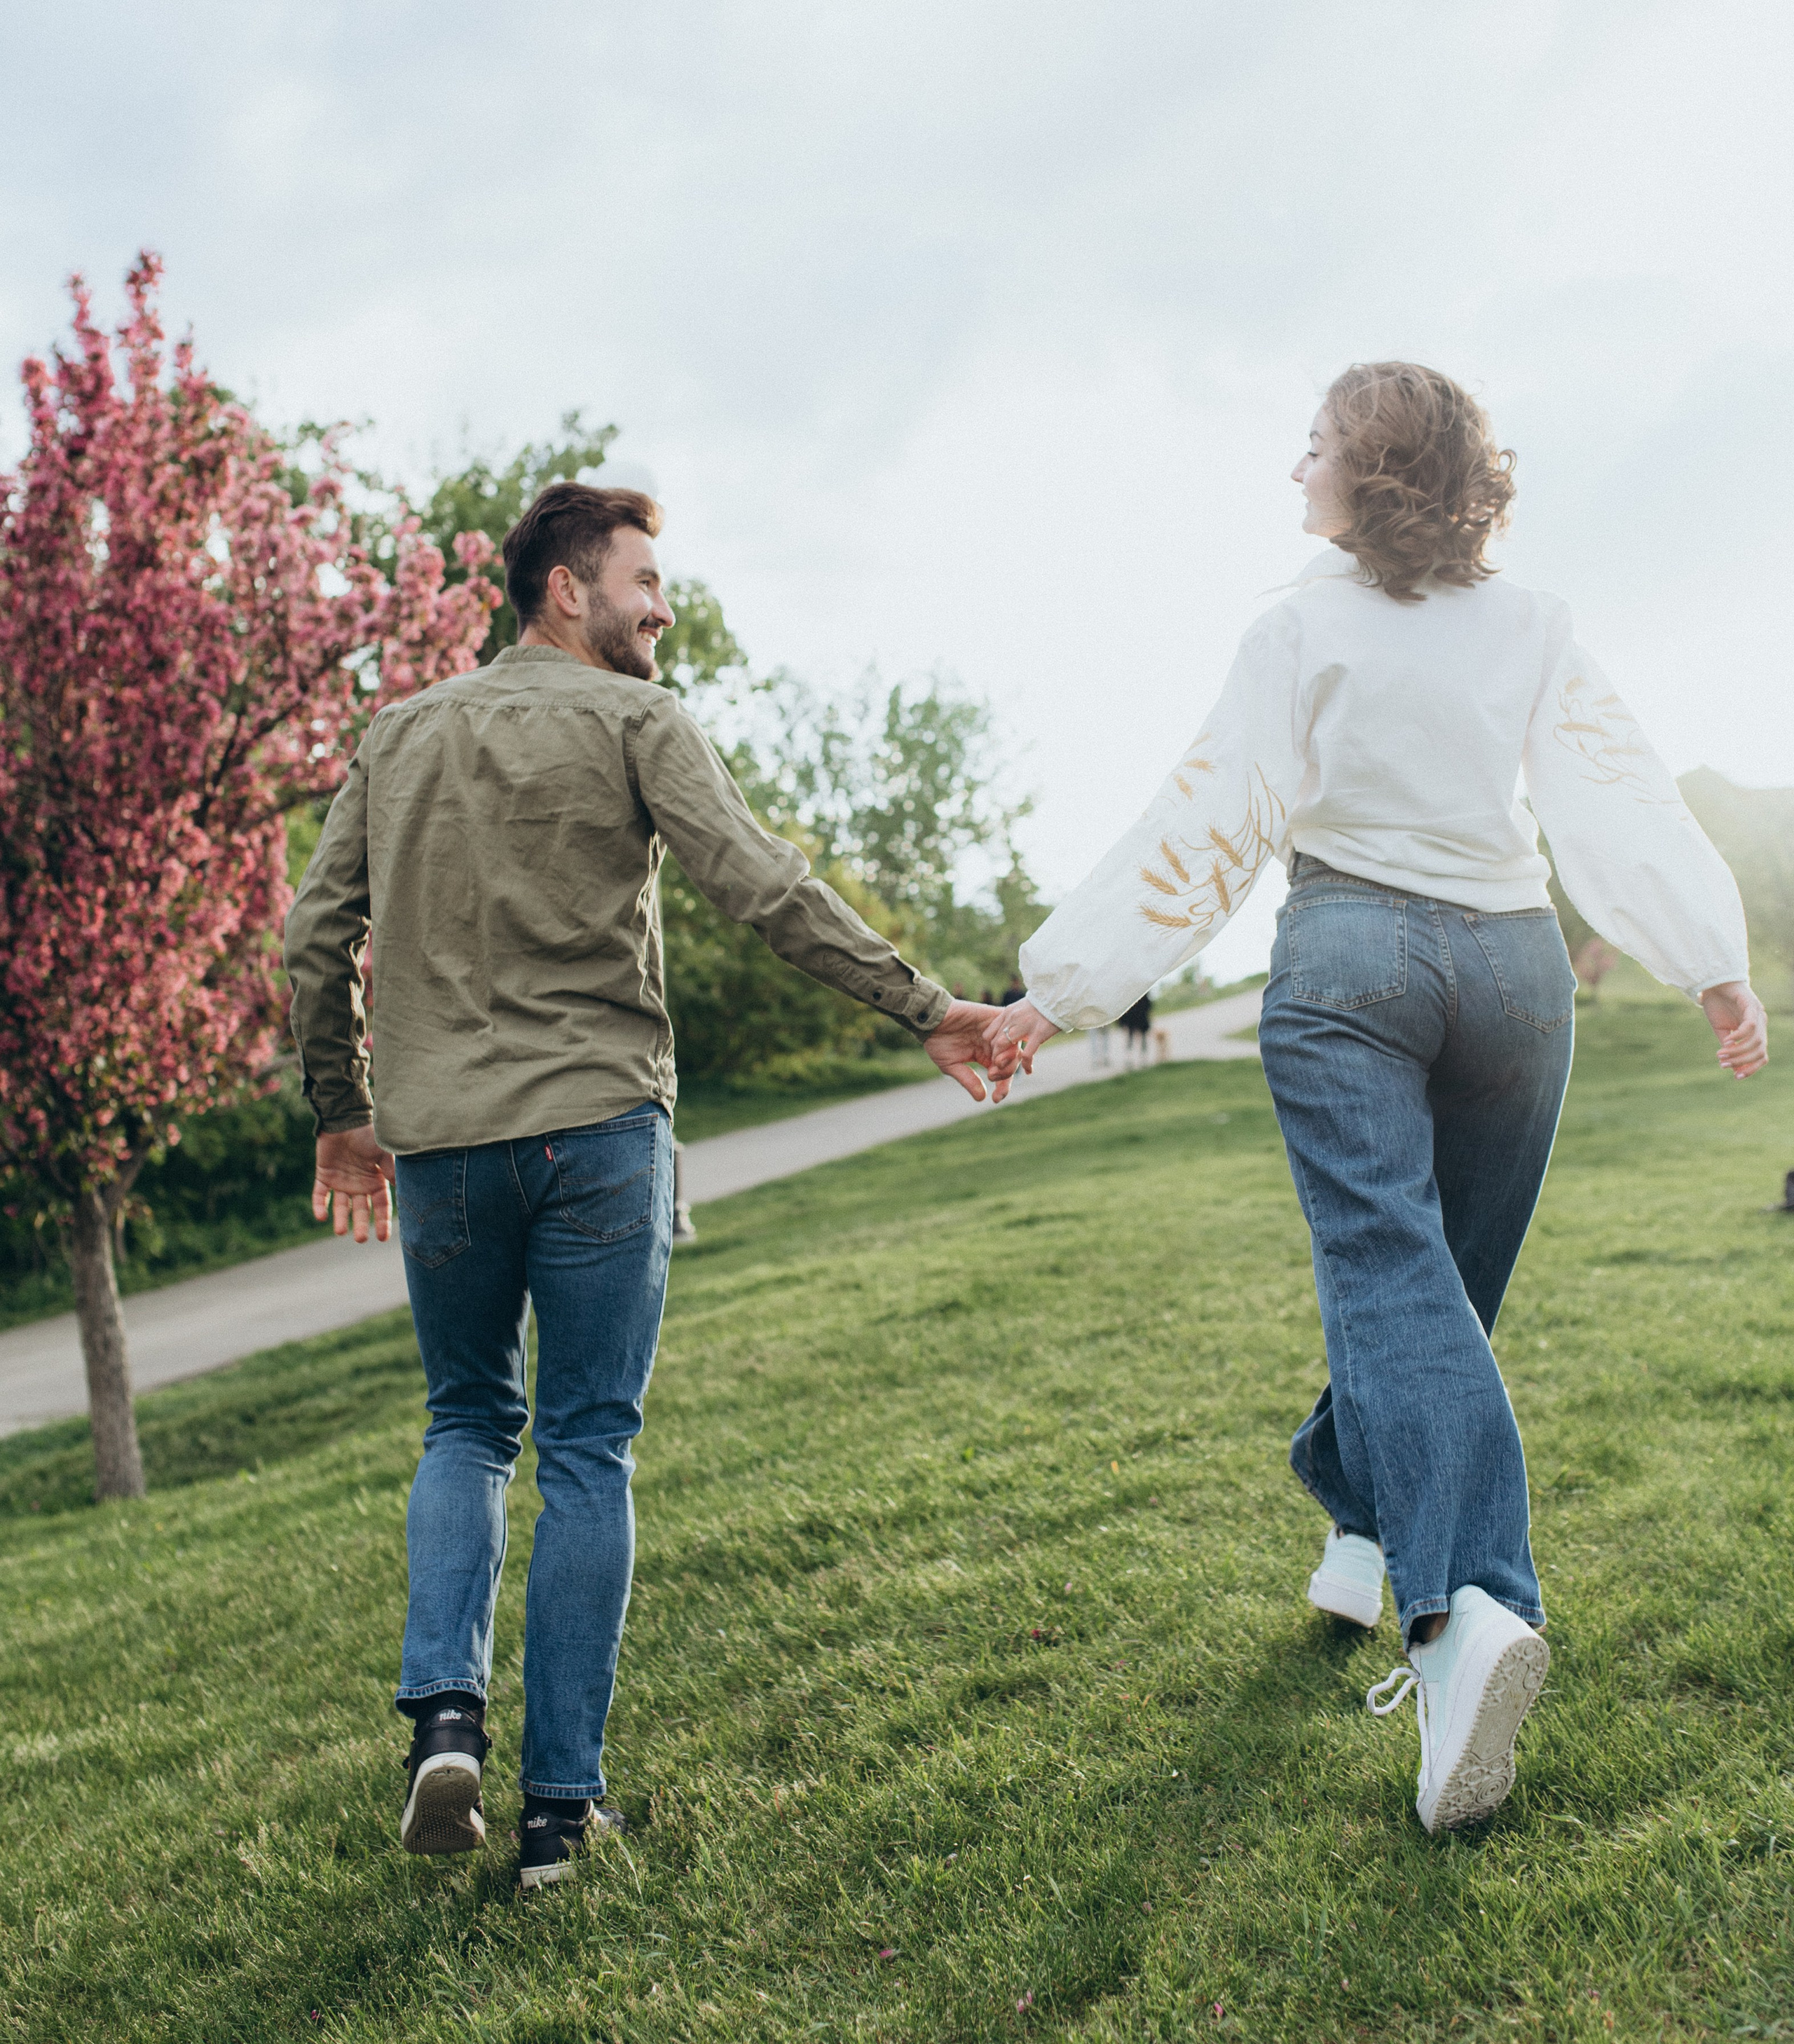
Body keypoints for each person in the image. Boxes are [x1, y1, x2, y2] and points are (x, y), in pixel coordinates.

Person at [990, 363, 1765, 1835]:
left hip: (1353, 953)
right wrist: (1707, 962)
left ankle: (1463, 1609)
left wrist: (1057, 988)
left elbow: (1207, 818)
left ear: (1377, 475)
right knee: (1435, 1291)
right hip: (1518, 972)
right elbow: (1614, 789)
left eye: (1315, 449)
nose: (1294, 473)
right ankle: (1354, 1516)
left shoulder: (1292, 626)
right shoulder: (1534, 626)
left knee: (1393, 1278)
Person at [285, 483, 1000, 1889]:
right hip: (599, 1130)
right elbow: (762, 887)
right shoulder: (635, 722)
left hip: (439, 1150)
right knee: (587, 1446)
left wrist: (341, 1114)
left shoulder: (397, 735)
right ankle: (557, 1814)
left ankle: (445, 1714)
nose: (661, 607)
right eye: (643, 581)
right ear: (566, 587)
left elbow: (317, 937)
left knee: (466, 1423)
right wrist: (922, 1004)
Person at [1118, 992, 1153, 1065]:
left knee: (1137, 1038)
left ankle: (1141, 1057)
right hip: (1134, 1017)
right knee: (1131, 1038)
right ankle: (1131, 1058)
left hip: (1138, 1017)